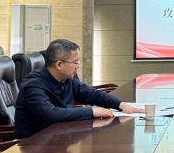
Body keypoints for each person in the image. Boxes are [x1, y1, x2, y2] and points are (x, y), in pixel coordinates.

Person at [14, 39, 143, 139]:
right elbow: (50, 114)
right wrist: (92, 111)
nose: (78, 66)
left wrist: (120, 104)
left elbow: (89, 94)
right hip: (34, 144)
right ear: (59, 64)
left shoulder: (66, 79)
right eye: (75, 62)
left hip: (60, 136)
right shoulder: (33, 85)